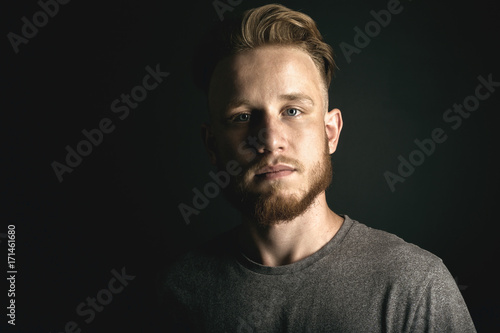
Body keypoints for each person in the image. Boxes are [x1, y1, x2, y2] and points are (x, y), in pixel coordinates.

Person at [157, 4, 477, 332]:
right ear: (212, 145)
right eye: (242, 116)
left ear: (330, 132)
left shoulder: (413, 287)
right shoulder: (181, 293)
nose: (269, 139)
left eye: (292, 111)